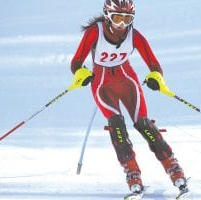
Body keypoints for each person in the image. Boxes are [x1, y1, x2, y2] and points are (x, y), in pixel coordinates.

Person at [69, 0, 188, 197]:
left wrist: (155, 78)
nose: (121, 25)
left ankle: (173, 167)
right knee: (116, 125)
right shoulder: (94, 32)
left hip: (127, 81)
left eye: (127, 19)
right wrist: (81, 73)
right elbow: (76, 62)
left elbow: (154, 64)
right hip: (102, 84)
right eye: (117, 18)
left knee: (143, 123)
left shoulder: (134, 35)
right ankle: (132, 172)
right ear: (107, 16)